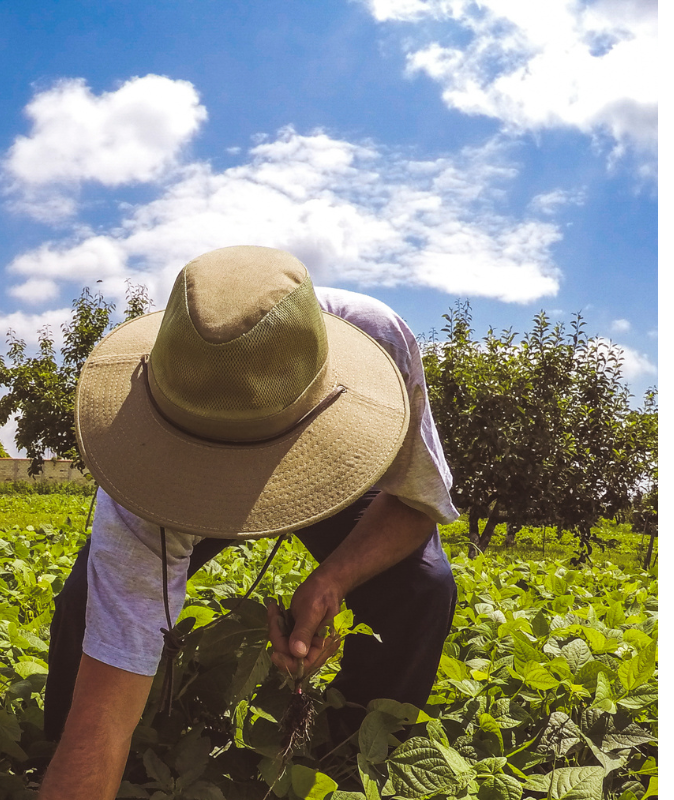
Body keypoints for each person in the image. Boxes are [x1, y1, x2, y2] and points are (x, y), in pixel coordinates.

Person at [39, 246, 460, 800]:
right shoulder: (144, 450)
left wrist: (332, 579)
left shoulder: (378, 338)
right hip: (180, 478)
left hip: (331, 470)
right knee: (86, 602)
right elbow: (107, 700)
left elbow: (417, 499)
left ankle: (354, 754)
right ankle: (50, 748)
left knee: (423, 588)